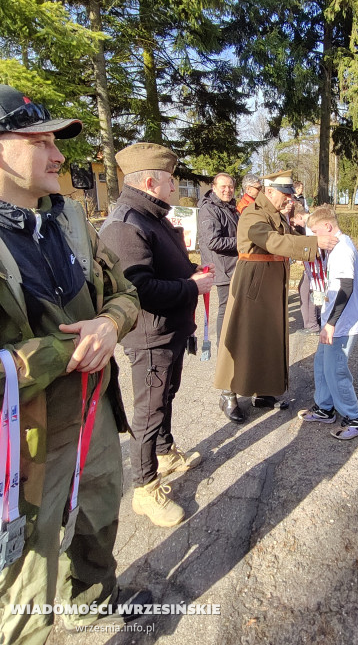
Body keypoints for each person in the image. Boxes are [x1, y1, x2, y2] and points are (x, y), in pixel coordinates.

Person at [0, 84, 145, 643]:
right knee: (22, 588)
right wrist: (66, 353)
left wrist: (110, 325)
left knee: (99, 517)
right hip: (23, 449)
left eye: (55, 142)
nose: (58, 155)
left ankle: (90, 603)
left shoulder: (71, 221)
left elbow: (124, 292)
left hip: (94, 419)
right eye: (39, 142)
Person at [100, 144, 214, 528]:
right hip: (150, 337)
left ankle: (164, 453)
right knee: (149, 412)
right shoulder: (126, 223)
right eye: (170, 179)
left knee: (165, 396)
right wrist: (192, 288)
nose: (174, 184)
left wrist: (192, 272)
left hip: (170, 331)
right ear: (151, 181)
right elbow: (139, 290)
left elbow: (165, 267)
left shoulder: (151, 215)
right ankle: (144, 489)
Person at [214, 171, 338, 423]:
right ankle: (228, 394)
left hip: (269, 285)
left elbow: (283, 238)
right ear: (269, 192)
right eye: (285, 194)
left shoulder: (273, 214)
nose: (289, 199)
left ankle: (262, 392)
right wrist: (314, 243)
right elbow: (271, 241)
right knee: (243, 339)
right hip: (254, 286)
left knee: (266, 340)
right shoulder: (254, 214)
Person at [298, 206, 358, 439]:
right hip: (333, 321)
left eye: (315, 232)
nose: (314, 238)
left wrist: (331, 323)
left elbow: (346, 288)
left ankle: (355, 419)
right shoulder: (336, 246)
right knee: (321, 365)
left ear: (327, 227)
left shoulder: (342, 250)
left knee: (336, 371)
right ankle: (324, 408)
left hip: (341, 325)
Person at [198, 173, 239, 346]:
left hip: (233, 265)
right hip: (223, 267)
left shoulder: (228, 207)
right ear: (214, 187)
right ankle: (223, 346)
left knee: (234, 307)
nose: (227, 190)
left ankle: (232, 342)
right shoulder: (210, 209)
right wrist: (241, 243)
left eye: (230, 186)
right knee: (225, 307)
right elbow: (213, 241)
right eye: (223, 186)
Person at [292, 203, 321, 334]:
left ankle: (311, 325)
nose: (296, 225)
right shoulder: (314, 220)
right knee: (308, 291)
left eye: (295, 221)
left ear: (299, 216)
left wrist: (301, 257)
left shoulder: (309, 226)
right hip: (314, 266)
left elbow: (314, 247)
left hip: (313, 267)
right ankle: (315, 321)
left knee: (307, 293)